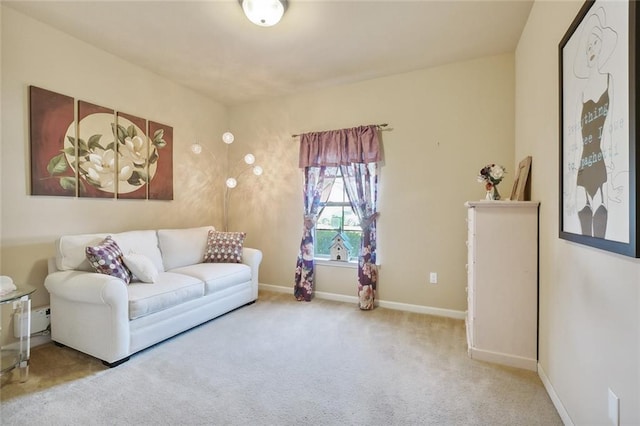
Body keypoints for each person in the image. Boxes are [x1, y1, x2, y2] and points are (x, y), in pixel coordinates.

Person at [570, 6, 621, 238]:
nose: (591, 49)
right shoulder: (581, 93)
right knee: (583, 210)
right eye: (588, 46)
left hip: (600, 156)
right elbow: (575, 140)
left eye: (595, 43)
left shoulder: (609, 81)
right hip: (584, 160)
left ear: (602, 46)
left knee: (601, 207)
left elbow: (611, 129)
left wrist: (614, 163)